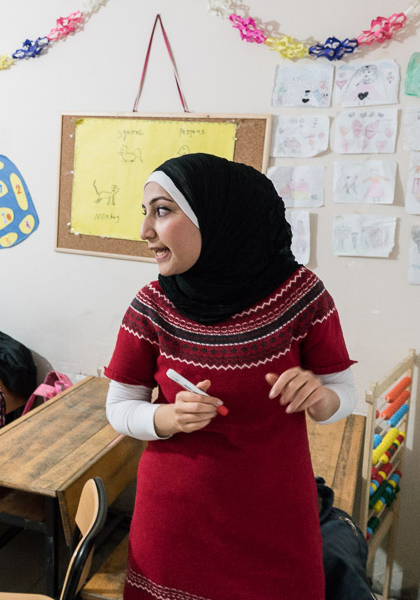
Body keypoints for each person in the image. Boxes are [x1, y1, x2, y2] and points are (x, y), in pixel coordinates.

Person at [104, 154, 357, 600]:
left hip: (275, 517)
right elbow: (119, 406)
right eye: (146, 213)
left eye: (161, 211)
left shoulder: (301, 296)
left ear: (218, 216)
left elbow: (344, 393)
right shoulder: (151, 306)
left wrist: (321, 398)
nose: (145, 230)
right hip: (174, 524)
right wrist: (167, 418)